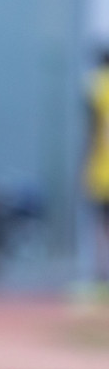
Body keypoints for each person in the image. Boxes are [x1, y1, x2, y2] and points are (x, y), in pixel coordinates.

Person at [85, 49, 109, 282]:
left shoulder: (97, 86)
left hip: (102, 170)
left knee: (100, 226)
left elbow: (91, 129)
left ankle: (101, 274)